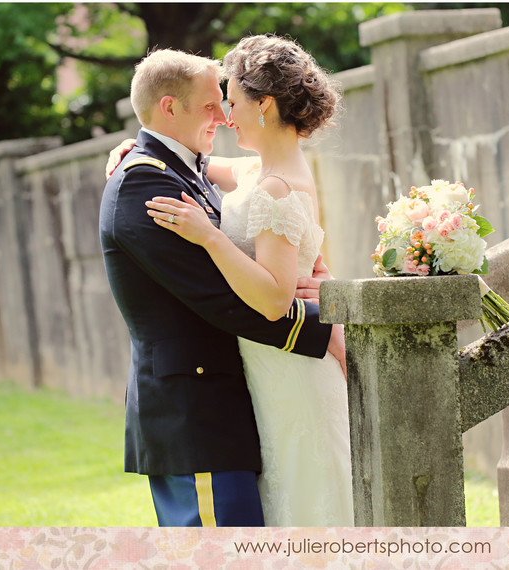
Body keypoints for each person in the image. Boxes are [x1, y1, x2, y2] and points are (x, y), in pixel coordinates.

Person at [99, 48, 345, 527]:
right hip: (195, 412)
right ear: (170, 108)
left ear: (265, 105)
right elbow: (221, 299)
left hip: (244, 397)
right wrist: (325, 330)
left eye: (227, 102)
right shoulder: (146, 184)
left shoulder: (202, 173)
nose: (223, 117)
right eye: (212, 104)